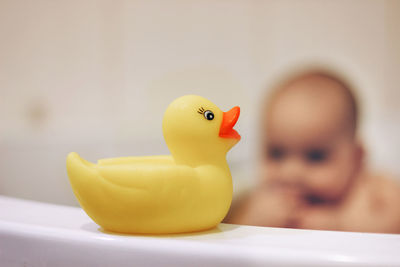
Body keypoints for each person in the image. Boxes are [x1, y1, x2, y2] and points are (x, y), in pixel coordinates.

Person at [225, 70, 400, 233]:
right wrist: (253, 222)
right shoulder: (259, 197)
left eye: (315, 156)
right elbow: (225, 233)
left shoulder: (372, 193)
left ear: (356, 158)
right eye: (276, 154)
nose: (290, 173)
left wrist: (339, 223)